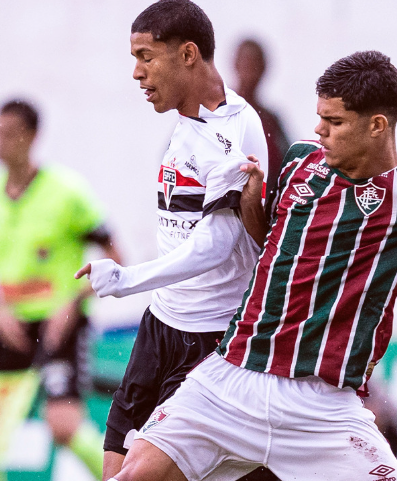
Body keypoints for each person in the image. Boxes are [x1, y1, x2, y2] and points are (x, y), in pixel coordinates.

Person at [107, 50, 397, 481]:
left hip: (323, 408)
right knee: (133, 476)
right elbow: (272, 247)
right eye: (319, 117)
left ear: (377, 125)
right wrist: (254, 203)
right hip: (231, 377)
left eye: (334, 122)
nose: (319, 130)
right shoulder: (300, 163)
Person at [73, 1, 273, 480]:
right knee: (114, 468)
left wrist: (127, 277)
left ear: (187, 55)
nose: (137, 73)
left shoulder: (232, 131)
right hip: (160, 324)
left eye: (146, 56)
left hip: (210, 337)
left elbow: (217, 245)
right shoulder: (189, 121)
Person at [0, 99, 122, 481]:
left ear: (32, 137)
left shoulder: (67, 193)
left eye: (8, 133)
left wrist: (69, 305)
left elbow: (115, 258)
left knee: (64, 427)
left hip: (60, 328)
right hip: (10, 329)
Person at [233, 38, 290, 219]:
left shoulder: (271, 120)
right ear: (235, 65)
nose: (250, 73)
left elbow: (291, 165)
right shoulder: (215, 114)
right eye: (246, 65)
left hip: (264, 219)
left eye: (255, 66)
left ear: (265, 70)